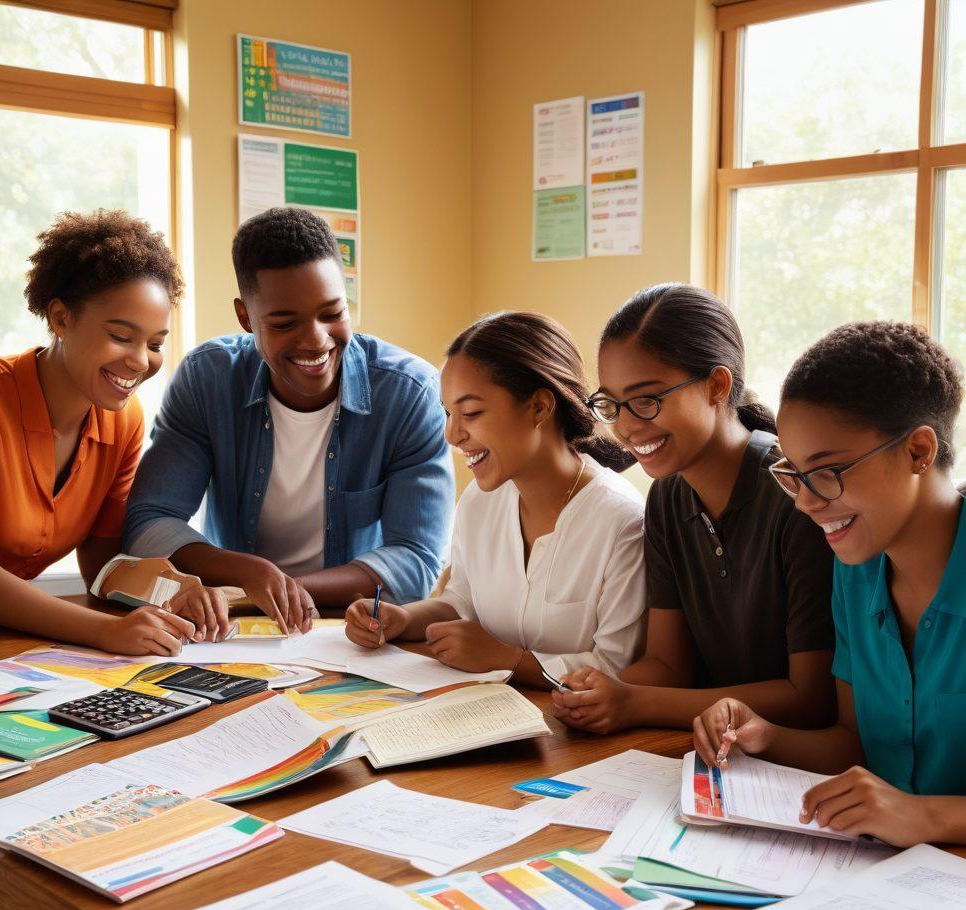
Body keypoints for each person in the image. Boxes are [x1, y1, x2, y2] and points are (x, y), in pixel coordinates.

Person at [694, 321, 966, 848]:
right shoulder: (854, 568)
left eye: (827, 472)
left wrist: (926, 816)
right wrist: (766, 736)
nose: (806, 501)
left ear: (918, 452)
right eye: (792, 474)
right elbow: (855, 743)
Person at [124, 207, 455, 630]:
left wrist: (287, 588)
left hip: (350, 627)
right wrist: (247, 573)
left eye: (332, 314)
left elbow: (416, 559)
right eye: (283, 323)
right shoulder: (208, 379)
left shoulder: (409, 392)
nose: (316, 340)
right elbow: (149, 522)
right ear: (245, 317)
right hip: (233, 624)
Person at [552, 284, 836, 733]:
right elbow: (668, 665)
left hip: (788, 764)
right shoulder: (667, 494)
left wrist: (636, 704)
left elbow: (810, 699)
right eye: (612, 404)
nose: (625, 427)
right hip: (706, 746)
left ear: (716, 386)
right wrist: (596, 693)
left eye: (647, 400)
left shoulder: (794, 495)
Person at [0, 210, 228, 653]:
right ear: (60, 318)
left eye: (154, 344)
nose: (139, 361)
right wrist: (107, 631)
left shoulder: (123, 419)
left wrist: (174, 590)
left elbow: (102, 566)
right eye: (120, 335)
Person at [345, 312, 646, 685]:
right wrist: (403, 618)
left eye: (470, 412)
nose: (452, 435)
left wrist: (508, 660)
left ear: (539, 407)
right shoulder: (480, 499)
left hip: (575, 732)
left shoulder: (622, 522)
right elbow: (461, 602)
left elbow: (619, 665)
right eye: (448, 413)